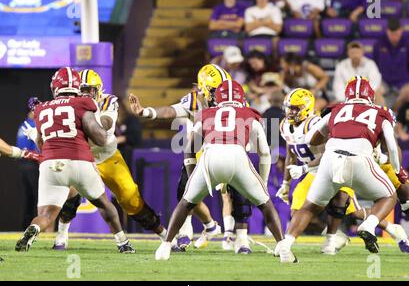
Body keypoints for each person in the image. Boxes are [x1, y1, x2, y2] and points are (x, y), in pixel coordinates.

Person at [24, 69, 167, 249]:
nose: (85, 94)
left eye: (90, 90)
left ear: (99, 90)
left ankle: (163, 233)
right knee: (69, 196)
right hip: (80, 156)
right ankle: (62, 236)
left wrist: (78, 113)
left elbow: (104, 125)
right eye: (82, 89)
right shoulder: (73, 104)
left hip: (107, 158)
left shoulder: (107, 101)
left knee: (131, 199)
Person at [129, 64, 254, 253]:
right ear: (203, 89)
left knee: (239, 193)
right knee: (185, 192)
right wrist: (146, 112)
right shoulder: (195, 100)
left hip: (229, 147)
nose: (220, 93)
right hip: (200, 149)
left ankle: (241, 239)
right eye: (214, 89)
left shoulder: (233, 98)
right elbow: (172, 111)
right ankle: (202, 227)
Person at [154, 80, 284, 261]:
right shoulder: (249, 113)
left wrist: (192, 175)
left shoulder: (206, 113)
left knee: (186, 202)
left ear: (217, 97)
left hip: (211, 155)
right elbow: (265, 153)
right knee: (266, 204)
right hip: (237, 156)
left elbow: (190, 148)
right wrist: (262, 182)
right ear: (241, 97)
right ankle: (283, 247)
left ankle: (165, 245)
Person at [277, 76, 401, 263]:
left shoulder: (335, 110)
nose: (291, 112)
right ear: (371, 96)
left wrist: (302, 168)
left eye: (295, 108)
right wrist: (397, 169)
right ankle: (369, 226)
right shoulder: (379, 112)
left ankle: (288, 245)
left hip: (327, 163)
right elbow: (392, 146)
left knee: (312, 208)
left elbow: (311, 138)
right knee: (389, 196)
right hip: (355, 160)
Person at [373, 19, 409, 111]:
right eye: (391, 34)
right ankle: (381, 117)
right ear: (387, 31)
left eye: (396, 34)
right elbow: (373, 66)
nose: (394, 37)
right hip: (384, 80)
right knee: (374, 92)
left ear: (401, 30)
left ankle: (394, 112)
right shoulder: (378, 44)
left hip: (403, 81)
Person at [16, 101, 40, 230]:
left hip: (23, 164)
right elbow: (36, 149)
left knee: (29, 197)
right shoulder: (33, 125)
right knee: (38, 196)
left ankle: (25, 227)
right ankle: (37, 227)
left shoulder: (22, 124)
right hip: (31, 164)